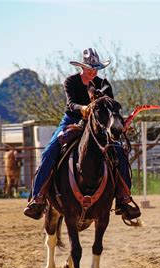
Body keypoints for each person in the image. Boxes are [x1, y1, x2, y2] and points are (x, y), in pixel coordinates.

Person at [23, 47, 141, 221]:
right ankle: (38, 198)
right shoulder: (71, 82)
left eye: (96, 68)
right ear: (82, 67)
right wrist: (83, 108)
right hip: (71, 121)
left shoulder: (103, 85)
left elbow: (110, 110)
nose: (93, 71)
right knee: (49, 152)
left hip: (98, 126)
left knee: (119, 152)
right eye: (89, 68)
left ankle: (123, 199)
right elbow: (70, 105)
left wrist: (119, 124)